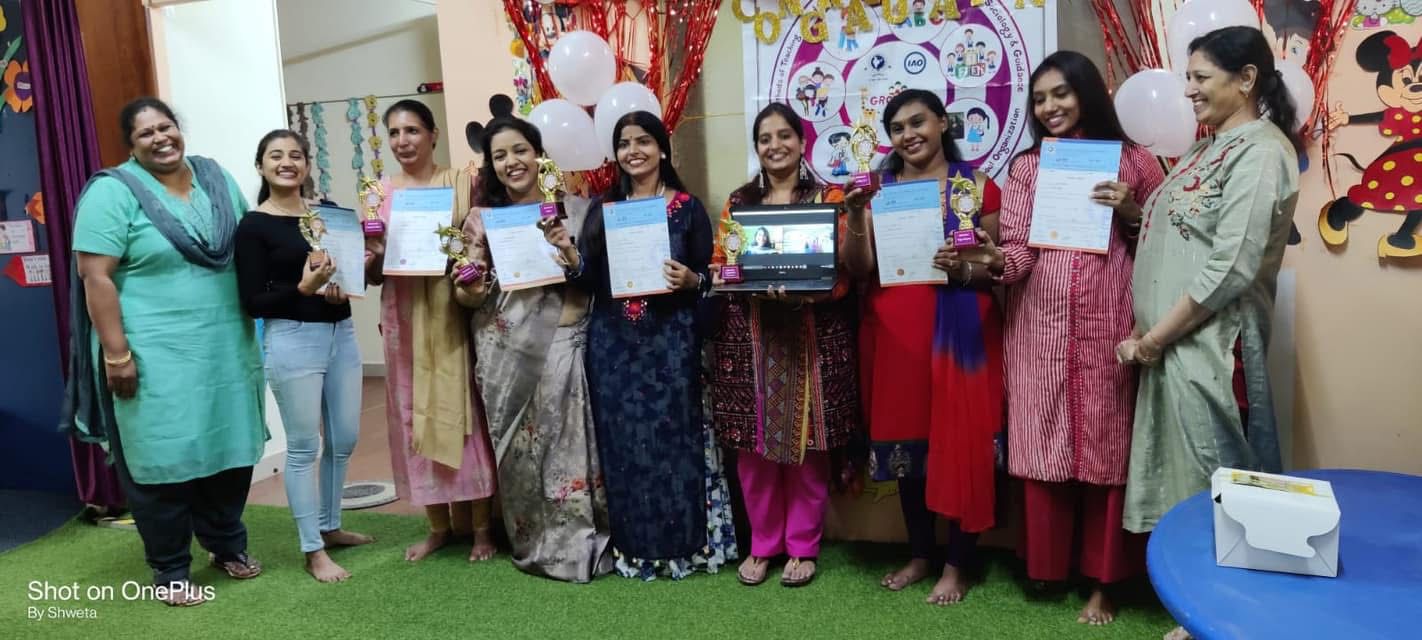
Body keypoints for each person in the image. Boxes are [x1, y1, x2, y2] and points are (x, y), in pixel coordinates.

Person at [972, 51, 1165, 625]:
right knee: (1044, 441)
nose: (1049, 107)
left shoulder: (1135, 160)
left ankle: (1105, 582)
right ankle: (1047, 567)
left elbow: (1167, 241)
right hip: (1041, 327)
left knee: (1107, 448)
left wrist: (1132, 210)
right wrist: (993, 260)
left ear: (1087, 93)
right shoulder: (1029, 168)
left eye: (1061, 93)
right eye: (1039, 99)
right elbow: (1019, 251)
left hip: (1111, 326)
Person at [69, 97, 267, 606]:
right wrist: (116, 354)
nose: (160, 138)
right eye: (146, 134)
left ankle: (226, 545)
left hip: (226, 347)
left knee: (229, 452)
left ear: (179, 128)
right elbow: (95, 277)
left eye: (166, 127)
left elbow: (250, 244)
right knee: (162, 458)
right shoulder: (113, 192)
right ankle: (171, 569)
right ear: (131, 146)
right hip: (153, 355)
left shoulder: (215, 179)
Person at [1116, 25, 1299, 533]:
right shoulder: (1203, 150)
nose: (1189, 90)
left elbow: (1232, 265)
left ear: (1246, 79)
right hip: (1174, 344)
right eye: (1187, 78)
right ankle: (1183, 581)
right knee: (1180, 487)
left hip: (1213, 347)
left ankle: (1222, 586)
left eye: (1201, 78)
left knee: (1217, 485)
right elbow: (1175, 242)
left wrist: (1153, 340)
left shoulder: (1260, 152)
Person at [841, 89, 1003, 605]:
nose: (909, 135)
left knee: (963, 446)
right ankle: (920, 554)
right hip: (895, 335)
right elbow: (860, 269)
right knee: (907, 449)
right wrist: (854, 216)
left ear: (942, 123)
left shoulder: (977, 186)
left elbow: (996, 268)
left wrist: (965, 268)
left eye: (918, 122)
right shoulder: (877, 191)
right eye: (897, 128)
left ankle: (957, 564)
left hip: (962, 334)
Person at [565, 110, 737, 580]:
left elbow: (712, 279)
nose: (633, 150)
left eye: (643, 140)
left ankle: (687, 549)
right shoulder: (604, 208)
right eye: (624, 143)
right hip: (614, 347)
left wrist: (692, 280)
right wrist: (567, 254)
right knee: (625, 449)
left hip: (671, 346)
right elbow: (588, 279)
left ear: (662, 148)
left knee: (675, 446)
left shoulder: (688, 208)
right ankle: (634, 550)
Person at [454, 116, 614, 582]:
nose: (511, 162)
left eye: (520, 150)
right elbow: (467, 294)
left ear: (539, 155)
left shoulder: (575, 212)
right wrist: (470, 284)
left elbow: (594, 281)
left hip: (565, 343)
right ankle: (532, 541)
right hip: (505, 350)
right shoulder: (482, 219)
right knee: (522, 452)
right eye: (500, 155)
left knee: (568, 447)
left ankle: (577, 545)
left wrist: (566, 251)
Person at [707, 103, 859, 588]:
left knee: (808, 445)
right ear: (757, 147)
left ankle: (802, 546)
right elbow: (722, 261)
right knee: (754, 449)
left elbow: (845, 269)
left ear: (802, 140)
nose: (775, 145)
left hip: (810, 335)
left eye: (784, 135)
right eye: (765, 138)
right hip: (751, 337)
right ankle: (763, 544)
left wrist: (808, 291)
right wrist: (728, 275)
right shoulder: (739, 201)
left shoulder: (829, 197)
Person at [234, 129, 373, 583]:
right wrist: (303, 288)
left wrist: (348, 282)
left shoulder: (326, 215)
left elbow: (346, 271)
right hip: (292, 339)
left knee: (344, 438)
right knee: (302, 448)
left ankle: (330, 526)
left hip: (341, 333)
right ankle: (313, 549)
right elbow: (253, 301)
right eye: (276, 156)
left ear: (307, 165)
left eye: (296, 155)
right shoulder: (254, 226)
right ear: (261, 166)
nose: (287, 163)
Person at [363, 99, 498, 563]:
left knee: (463, 412)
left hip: (451, 310)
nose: (403, 141)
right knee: (412, 413)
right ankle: (438, 526)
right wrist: (372, 251)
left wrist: (466, 265)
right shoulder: (379, 193)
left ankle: (481, 528)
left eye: (412, 131)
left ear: (433, 134)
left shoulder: (462, 182)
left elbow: (480, 246)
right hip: (402, 316)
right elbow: (373, 272)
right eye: (394, 133)